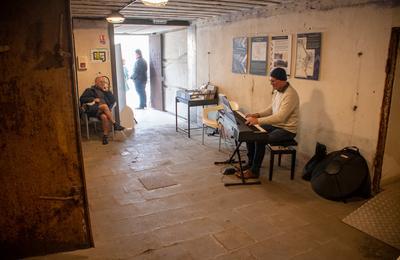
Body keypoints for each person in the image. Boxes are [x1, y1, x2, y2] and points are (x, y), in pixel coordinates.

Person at [239, 67, 299, 179]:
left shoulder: (290, 94)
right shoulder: (278, 91)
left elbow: (280, 117)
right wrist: (256, 115)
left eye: (273, 81)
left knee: (260, 139)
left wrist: (257, 121)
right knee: (251, 131)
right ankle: (251, 163)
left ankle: (254, 171)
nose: (271, 84)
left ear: (282, 80)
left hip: (287, 130)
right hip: (277, 126)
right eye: (270, 81)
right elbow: (271, 109)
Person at [80, 75, 125, 145]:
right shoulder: (89, 90)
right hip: (94, 109)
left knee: (104, 117)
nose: (102, 83)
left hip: (103, 111)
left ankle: (105, 136)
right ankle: (115, 124)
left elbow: (113, 101)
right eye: (100, 81)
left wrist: (107, 92)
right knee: (104, 106)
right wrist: (93, 99)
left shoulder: (105, 91)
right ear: (96, 82)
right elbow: (82, 99)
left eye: (103, 81)